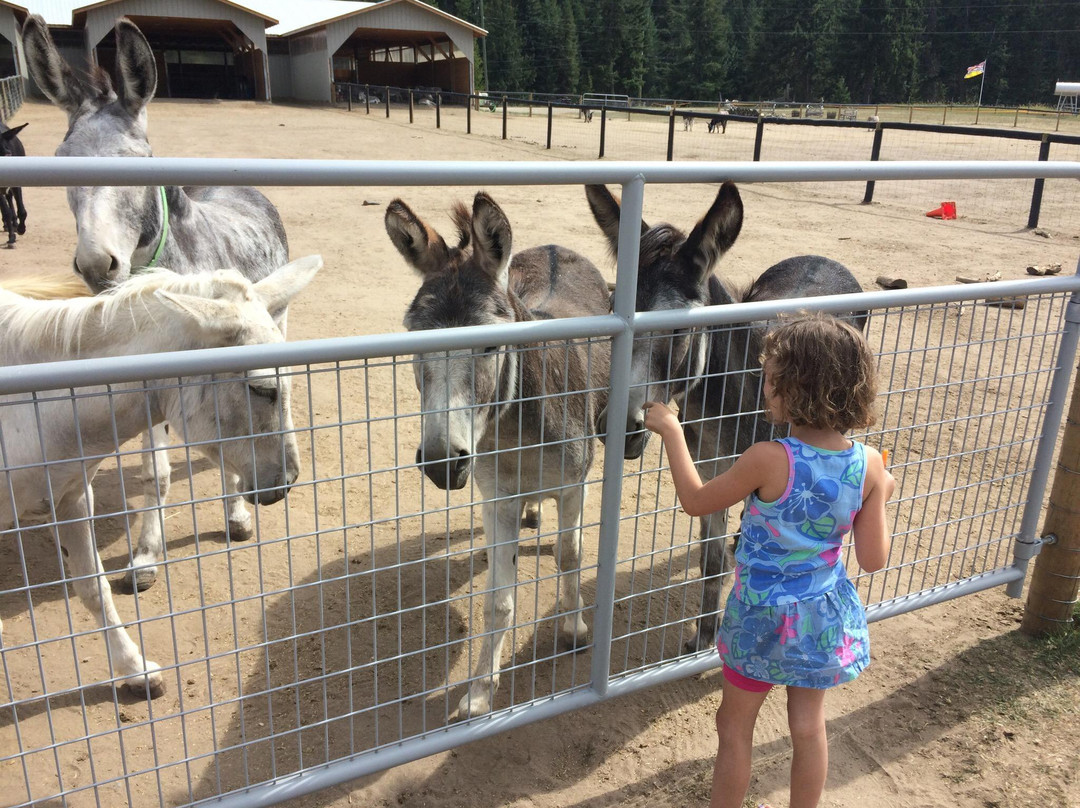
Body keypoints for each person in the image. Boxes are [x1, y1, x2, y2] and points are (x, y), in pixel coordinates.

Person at [642, 312, 895, 808]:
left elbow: (696, 501)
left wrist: (672, 431)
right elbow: (872, 559)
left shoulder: (768, 457)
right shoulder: (868, 464)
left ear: (796, 388)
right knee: (807, 725)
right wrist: (881, 494)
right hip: (820, 618)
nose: (764, 389)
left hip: (759, 614)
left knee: (733, 726)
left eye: (771, 380)